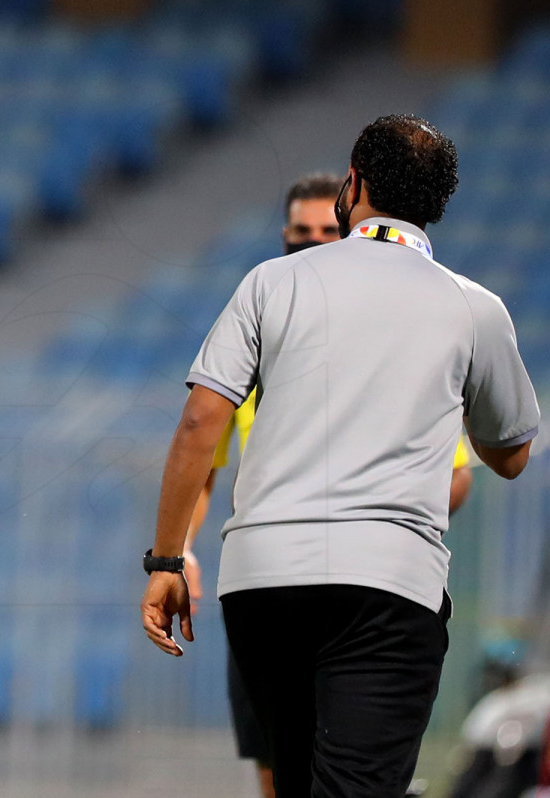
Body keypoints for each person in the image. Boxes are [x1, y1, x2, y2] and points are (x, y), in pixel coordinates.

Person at [140, 114, 540, 797]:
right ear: (437, 205)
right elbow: (511, 455)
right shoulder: (475, 309)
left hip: (262, 581)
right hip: (388, 586)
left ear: (352, 184)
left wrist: (168, 560)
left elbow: (200, 421)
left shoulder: (272, 283)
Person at [181, 172, 475, 798]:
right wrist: (178, 547)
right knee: (278, 768)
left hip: (331, 574)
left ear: (346, 226)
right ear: (283, 235)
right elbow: (206, 455)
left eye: (324, 230)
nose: (312, 242)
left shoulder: (387, 340)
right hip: (279, 569)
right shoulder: (262, 322)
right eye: (299, 232)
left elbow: (455, 477)